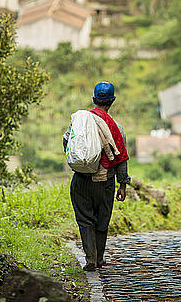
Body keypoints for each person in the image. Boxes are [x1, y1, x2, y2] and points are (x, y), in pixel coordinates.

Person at [63, 81, 131, 271]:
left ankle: (90, 259)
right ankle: (99, 258)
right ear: (112, 101)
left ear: (94, 100)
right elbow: (121, 158)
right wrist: (123, 185)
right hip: (105, 182)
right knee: (102, 219)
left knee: (85, 220)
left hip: (81, 179)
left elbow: (67, 141)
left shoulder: (80, 121)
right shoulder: (117, 127)